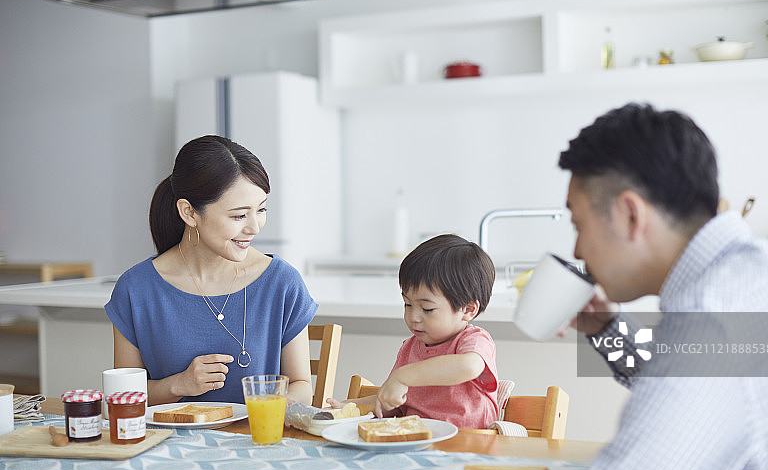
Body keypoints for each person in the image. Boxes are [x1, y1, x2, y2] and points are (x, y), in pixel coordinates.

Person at [558, 103, 768, 470]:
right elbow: (692, 384)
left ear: (630, 215)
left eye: (578, 224)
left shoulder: (714, 319)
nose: (576, 251)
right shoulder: (762, 274)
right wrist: (607, 328)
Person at [105, 135, 317, 406]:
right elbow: (121, 397)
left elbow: (301, 387)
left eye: (261, 210)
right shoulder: (136, 289)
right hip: (166, 444)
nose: (255, 227)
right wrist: (178, 384)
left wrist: (258, 412)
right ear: (190, 213)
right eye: (239, 215)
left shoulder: (282, 283)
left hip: (256, 442)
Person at [330, 234, 499, 429]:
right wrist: (349, 408)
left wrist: (403, 376)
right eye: (407, 304)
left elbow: (468, 366)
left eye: (427, 309)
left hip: (468, 446)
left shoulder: (474, 340)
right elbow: (395, 404)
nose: (413, 317)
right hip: (418, 442)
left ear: (468, 309)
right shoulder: (410, 348)